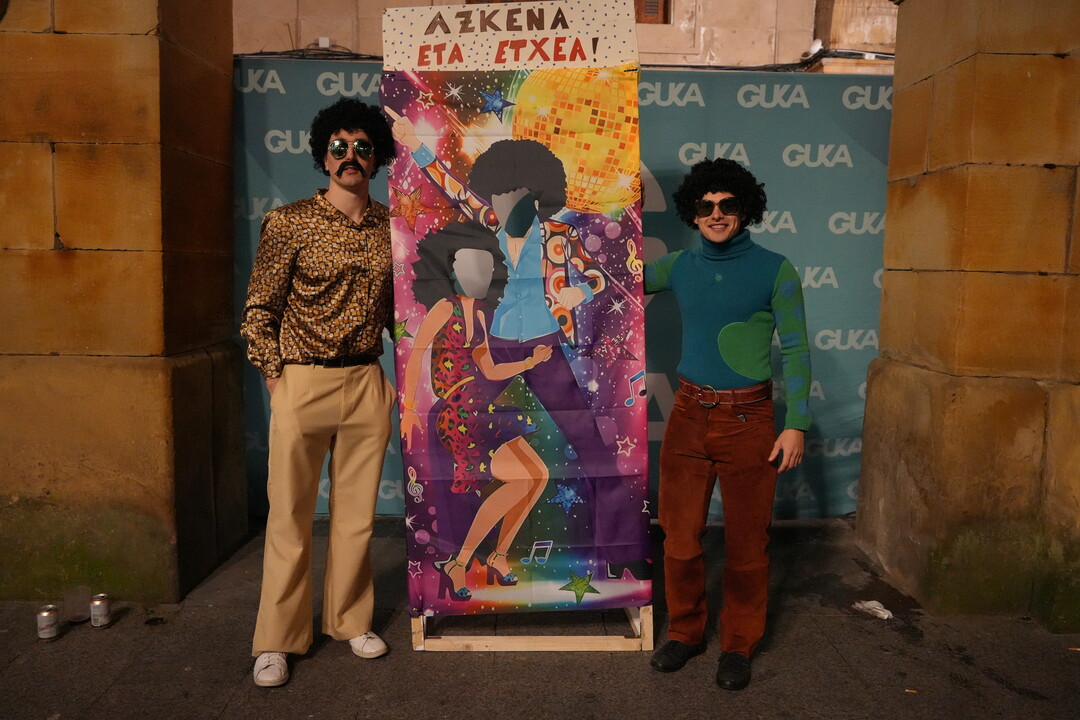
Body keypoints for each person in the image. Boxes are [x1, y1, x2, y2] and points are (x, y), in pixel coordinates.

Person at [390, 112, 651, 579]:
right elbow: (452, 189)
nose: (506, 203)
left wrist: (579, 292)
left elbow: (595, 276)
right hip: (493, 348)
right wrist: (414, 144)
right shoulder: (487, 222)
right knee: (453, 430)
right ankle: (450, 551)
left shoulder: (559, 237)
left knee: (590, 444)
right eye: (500, 196)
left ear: (538, 196)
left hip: (545, 347)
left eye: (518, 196)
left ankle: (619, 548)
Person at [240, 97, 397, 688]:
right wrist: (277, 380)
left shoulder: (392, 228)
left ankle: (350, 620)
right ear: (323, 157)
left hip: (366, 380)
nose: (350, 156)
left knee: (356, 518)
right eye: (339, 146)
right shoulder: (288, 223)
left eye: (362, 147)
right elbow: (259, 309)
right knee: (289, 517)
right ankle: (276, 640)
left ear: (377, 157)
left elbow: (399, 314)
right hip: (302, 380)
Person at [644, 158, 811, 691]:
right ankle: (686, 632)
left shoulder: (776, 269)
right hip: (688, 416)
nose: (716, 214)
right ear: (693, 213)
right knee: (679, 539)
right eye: (706, 205)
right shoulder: (678, 267)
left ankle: (738, 644)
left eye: (728, 204)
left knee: (745, 545)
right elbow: (613, 281)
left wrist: (797, 423)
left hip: (750, 420)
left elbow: (797, 349)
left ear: (746, 209)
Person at [400, 221, 551, 599]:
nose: (481, 276)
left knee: (539, 475)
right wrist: (408, 407)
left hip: (482, 407)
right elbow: (416, 355)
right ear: (456, 272)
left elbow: (489, 369)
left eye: (486, 268)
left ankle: (498, 556)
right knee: (522, 480)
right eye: (472, 268)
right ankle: (460, 561)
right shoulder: (443, 308)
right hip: (458, 414)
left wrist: (529, 362)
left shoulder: (482, 315)